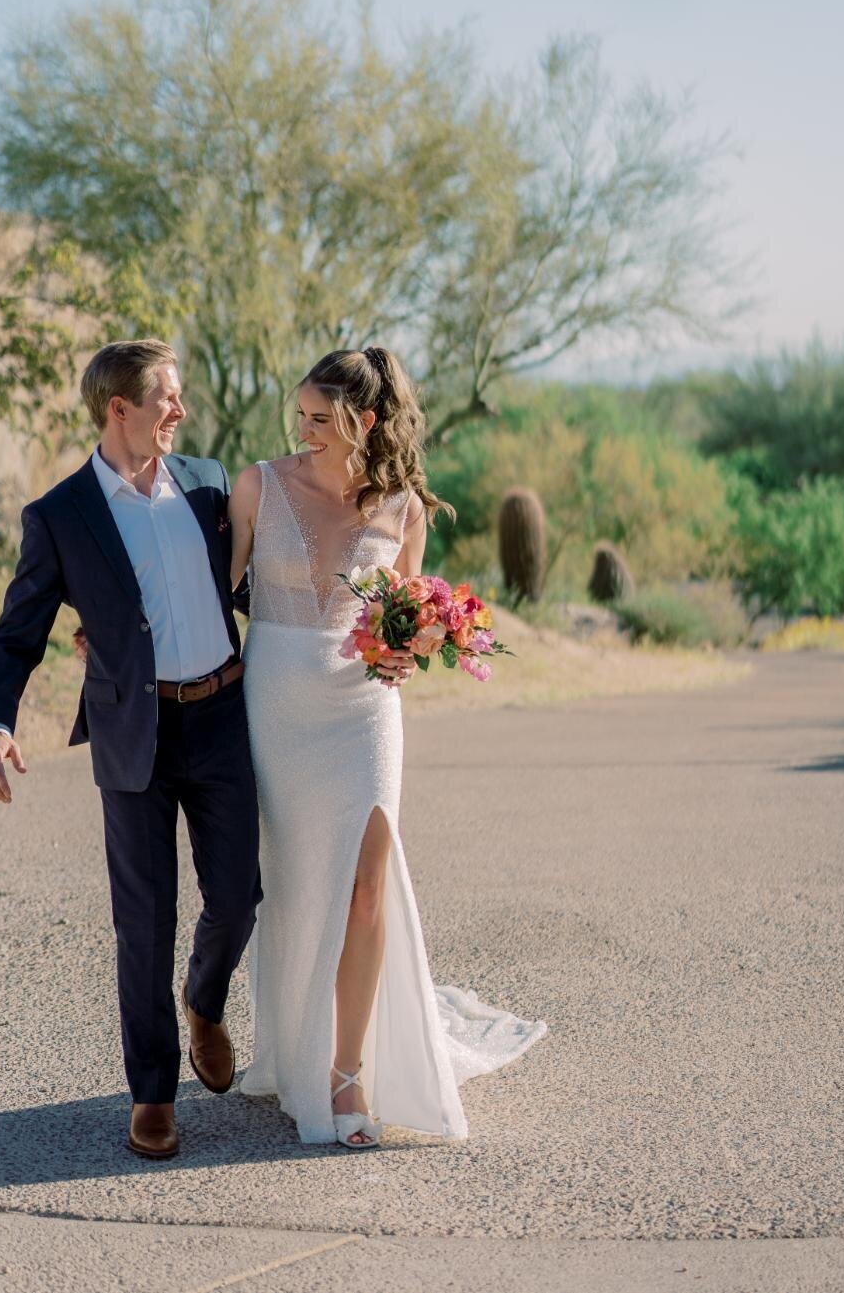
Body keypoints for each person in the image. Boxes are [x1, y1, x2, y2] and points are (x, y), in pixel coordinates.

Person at [229, 346, 545, 1147]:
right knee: (299, 884)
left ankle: (346, 1074)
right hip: (277, 705)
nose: (301, 430)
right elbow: (213, 598)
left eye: (318, 418)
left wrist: (412, 643)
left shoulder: (404, 509)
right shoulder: (258, 485)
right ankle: (291, 1049)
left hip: (364, 710)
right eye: (297, 414)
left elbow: (400, 614)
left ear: (363, 422)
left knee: (367, 888)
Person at [0, 339, 261, 1161]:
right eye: (165, 397)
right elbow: (16, 635)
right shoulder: (61, 516)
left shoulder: (207, 484)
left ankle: (204, 1003)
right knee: (144, 919)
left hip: (222, 714)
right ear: (118, 409)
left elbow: (249, 585)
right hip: (136, 731)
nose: (181, 410)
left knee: (239, 896)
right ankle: (154, 1091)